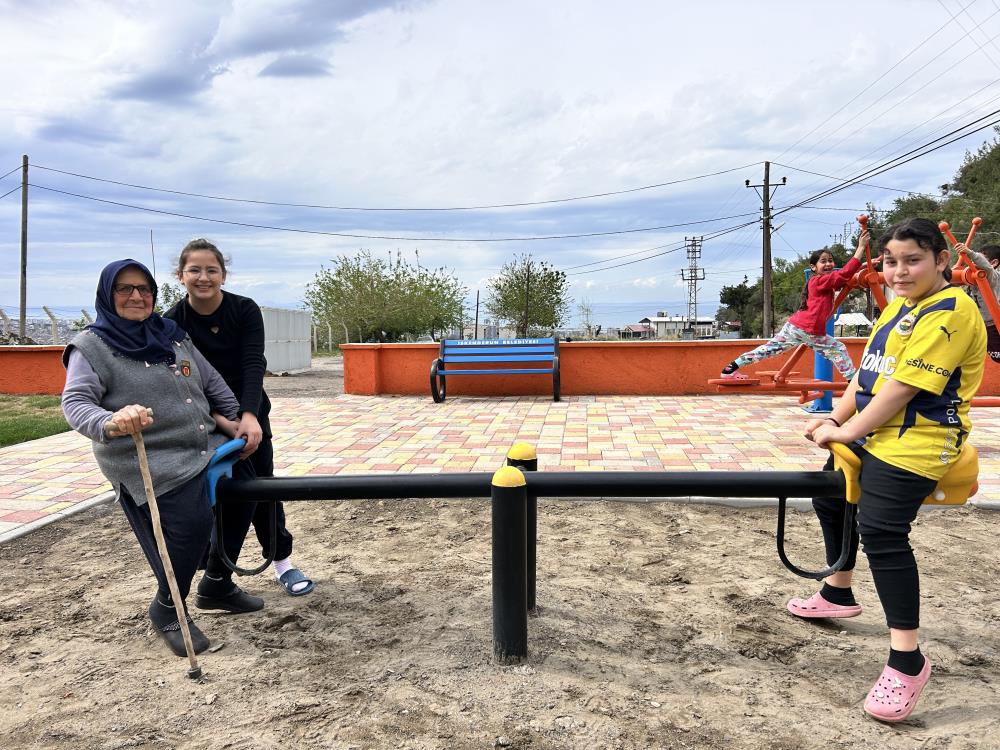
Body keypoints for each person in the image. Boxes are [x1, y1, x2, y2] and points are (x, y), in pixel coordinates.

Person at [788, 217, 986, 722]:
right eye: (891, 262)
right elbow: (868, 375)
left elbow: (905, 390)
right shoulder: (899, 307)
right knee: (830, 496)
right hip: (878, 430)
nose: (899, 271)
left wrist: (848, 433)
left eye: (912, 260)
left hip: (921, 438)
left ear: (941, 261)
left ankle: (907, 659)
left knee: (881, 530)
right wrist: (835, 417)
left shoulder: (952, 311)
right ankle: (838, 589)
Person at [61, 259, 262, 659]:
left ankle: (217, 584)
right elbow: (75, 402)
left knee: (247, 494)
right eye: (124, 289)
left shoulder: (171, 335)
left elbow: (210, 381)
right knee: (189, 528)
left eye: (143, 289)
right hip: (151, 456)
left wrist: (235, 418)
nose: (136, 296)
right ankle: (168, 608)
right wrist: (112, 420)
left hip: (204, 443)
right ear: (107, 295)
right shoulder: (91, 347)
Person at [166, 239, 315, 596]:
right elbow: (183, 379)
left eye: (211, 270)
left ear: (223, 274)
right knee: (210, 491)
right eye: (194, 270)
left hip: (250, 412)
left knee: (263, 488)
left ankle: (282, 563)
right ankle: (213, 572)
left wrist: (248, 417)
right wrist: (219, 419)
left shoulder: (244, 310)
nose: (203, 277)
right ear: (180, 275)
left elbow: (253, 363)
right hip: (203, 416)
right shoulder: (172, 323)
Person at [720, 234, 868, 381]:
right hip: (810, 330)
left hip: (795, 326)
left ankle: (730, 368)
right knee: (838, 349)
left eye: (830, 260)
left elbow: (843, 277)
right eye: (823, 261)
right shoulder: (819, 281)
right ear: (813, 267)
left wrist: (862, 266)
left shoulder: (821, 282)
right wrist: (860, 247)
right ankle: (852, 381)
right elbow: (843, 275)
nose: (828, 264)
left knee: (769, 349)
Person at [959, 243, 1000, 363]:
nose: (973, 263)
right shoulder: (974, 280)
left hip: (995, 323)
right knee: (995, 356)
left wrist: (970, 253)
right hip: (984, 325)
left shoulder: (992, 276)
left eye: (979, 259)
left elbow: (986, 267)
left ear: (993, 263)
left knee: (997, 356)